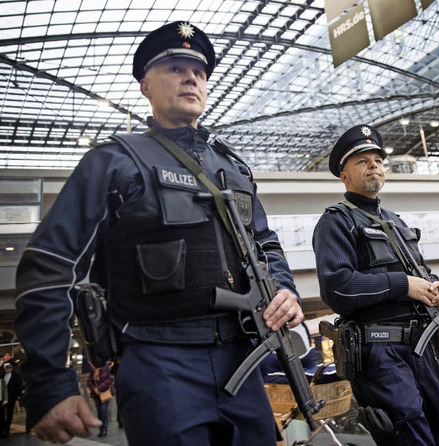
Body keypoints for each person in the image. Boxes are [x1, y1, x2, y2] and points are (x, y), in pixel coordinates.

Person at [14, 21, 303, 446]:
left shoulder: (234, 169)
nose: (191, 78)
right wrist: (49, 381)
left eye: (200, 72)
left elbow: (266, 244)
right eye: (175, 67)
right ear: (145, 85)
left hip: (242, 358)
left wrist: (285, 290)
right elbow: (50, 267)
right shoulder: (113, 162)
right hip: (159, 362)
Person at [312, 125, 439, 446]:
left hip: (421, 347)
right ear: (344, 176)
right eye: (362, 161)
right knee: (409, 430)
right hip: (379, 352)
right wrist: (402, 285)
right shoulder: (336, 221)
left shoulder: (396, 222)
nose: (374, 165)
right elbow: (337, 287)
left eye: (377, 160)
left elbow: (424, 272)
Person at [87, 362, 115, 437]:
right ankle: (101, 429)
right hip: (96, 394)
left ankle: (105, 429)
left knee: (103, 411)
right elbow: (89, 382)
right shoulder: (92, 371)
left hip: (104, 393)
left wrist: (99, 388)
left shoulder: (107, 368)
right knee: (99, 412)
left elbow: (110, 379)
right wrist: (94, 389)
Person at [1, 362, 23, 437]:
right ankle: (3, 427)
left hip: (11, 397)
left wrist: (18, 395)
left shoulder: (16, 376)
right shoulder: (2, 375)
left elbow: (19, 386)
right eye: (7, 368)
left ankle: (7, 429)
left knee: (9, 413)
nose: (8, 369)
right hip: (2, 397)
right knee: (1, 413)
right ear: (5, 369)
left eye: (10, 368)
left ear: (12, 368)